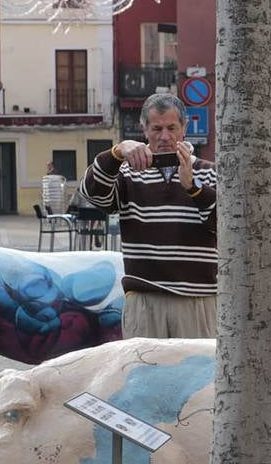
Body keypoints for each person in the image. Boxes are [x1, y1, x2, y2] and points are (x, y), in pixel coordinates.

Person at [78, 92, 218, 338]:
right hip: (144, 301)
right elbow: (92, 194)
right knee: (142, 365)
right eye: (156, 128)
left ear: (184, 128)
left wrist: (193, 188)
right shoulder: (128, 174)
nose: (164, 136)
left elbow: (225, 226)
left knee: (197, 365)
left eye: (171, 128)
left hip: (197, 301)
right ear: (144, 130)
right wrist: (116, 153)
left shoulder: (209, 172)